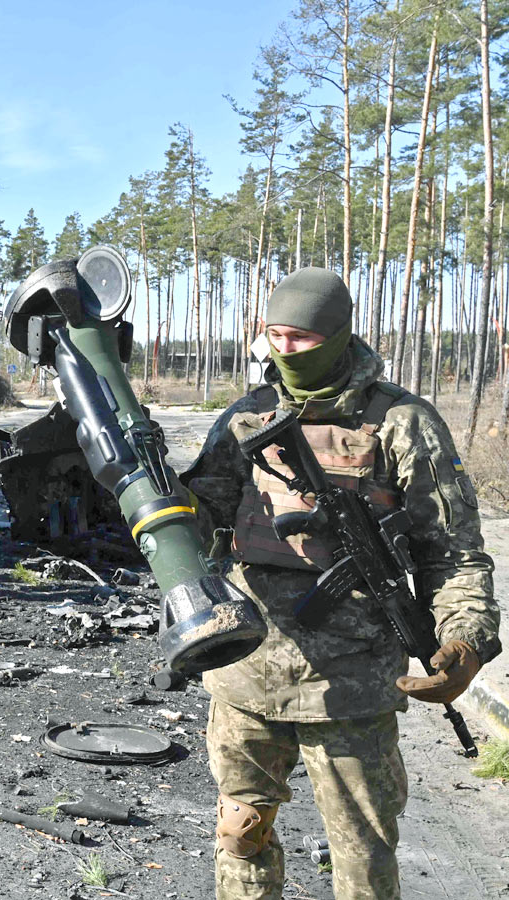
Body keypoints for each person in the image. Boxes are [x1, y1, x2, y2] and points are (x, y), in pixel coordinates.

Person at [180, 267, 500, 900]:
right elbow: (198, 522)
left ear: (337, 335)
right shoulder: (246, 418)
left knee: (362, 855)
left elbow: (455, 554)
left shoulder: (404, 423)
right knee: (242, 837)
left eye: (299, 338)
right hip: (244, 669)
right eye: (272, 335)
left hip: (352, 684)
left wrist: (464, 640)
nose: (283, 349)